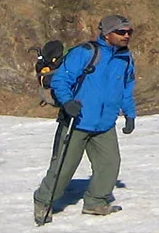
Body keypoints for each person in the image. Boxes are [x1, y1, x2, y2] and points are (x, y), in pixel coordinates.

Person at [33, 14, 137, 226]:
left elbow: (126, 88)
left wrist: (130, 114)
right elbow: (62, 80)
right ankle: (43, 201)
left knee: (109, 164)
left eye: (129, 32)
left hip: (105, 123)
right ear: (108, 34)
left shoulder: (125, 58)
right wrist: (68, 102)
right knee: (63, 168)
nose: (126, 36)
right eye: (121, 32)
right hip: (77, 120)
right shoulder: (85, 53)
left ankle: (96, 202)